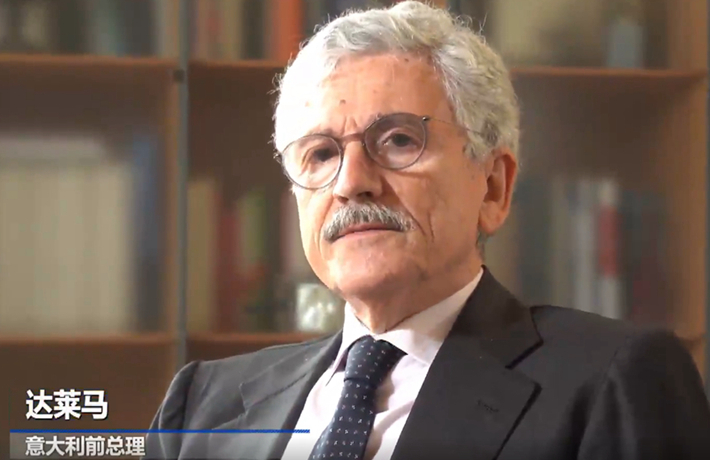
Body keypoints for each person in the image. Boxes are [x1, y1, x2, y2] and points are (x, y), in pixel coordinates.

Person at [144, 2, 710, 459]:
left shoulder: (613, 381)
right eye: (321, 154)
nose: (352, 183)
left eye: (397, 141)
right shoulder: (204, 406)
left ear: (493, 187)